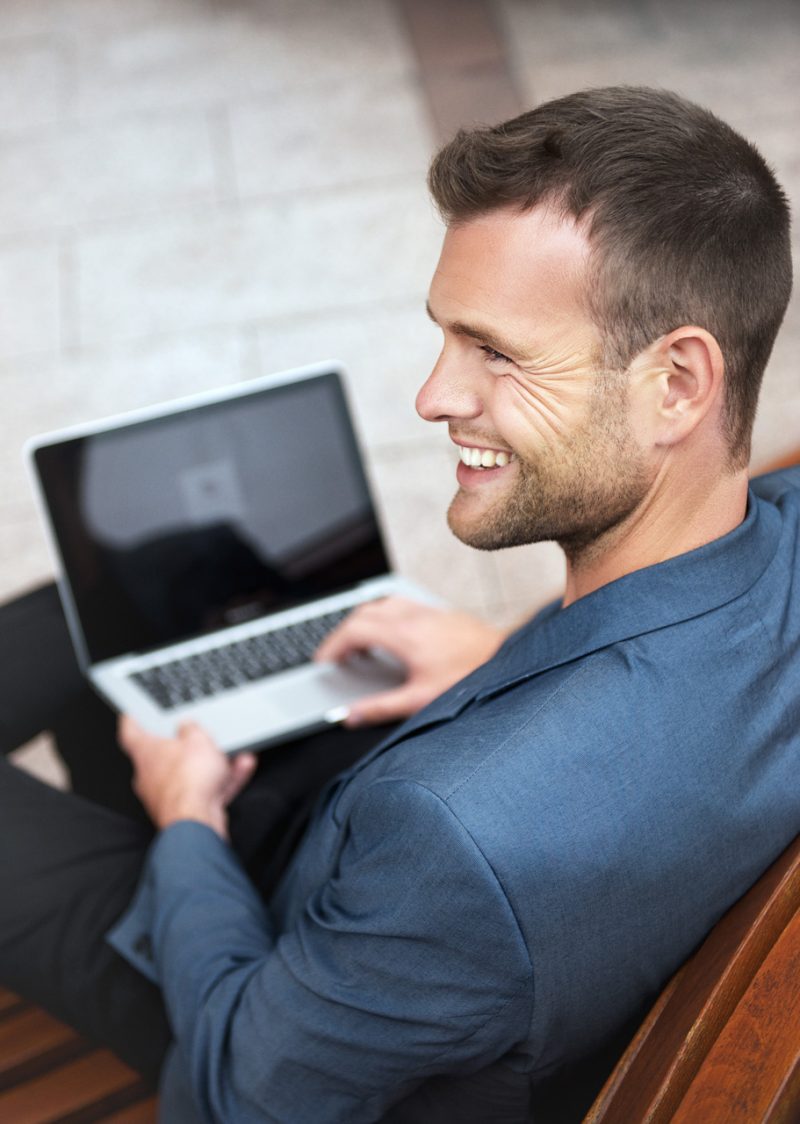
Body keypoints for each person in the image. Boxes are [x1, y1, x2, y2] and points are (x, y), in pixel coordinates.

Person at [1, 86, 799, 1123]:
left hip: (265, 984)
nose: (432, 395)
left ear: (678, 383)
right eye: (444, 337)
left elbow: (242, 1093)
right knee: (154, 576)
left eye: (496, 351)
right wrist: (497, 662)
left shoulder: (457, 837)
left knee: (113, 615)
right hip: (401, 890)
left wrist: (185, 822)